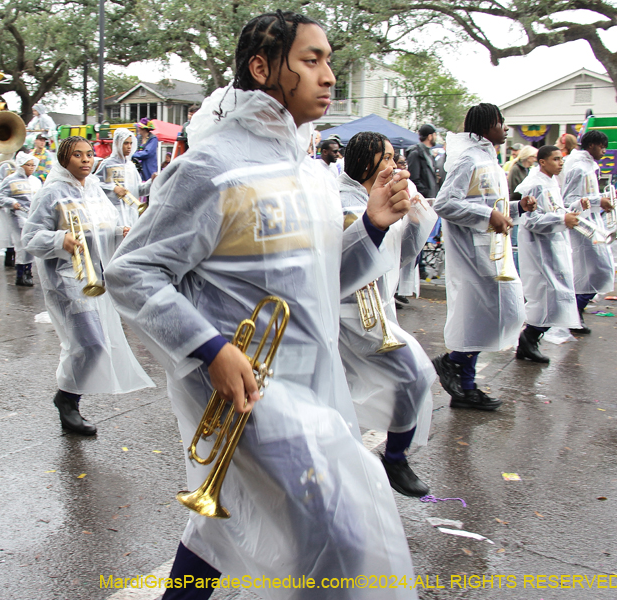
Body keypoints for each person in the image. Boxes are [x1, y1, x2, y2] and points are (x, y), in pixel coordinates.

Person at [106, 11, 417, 597]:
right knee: (340, 540)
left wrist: (373, 226)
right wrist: (212, 349)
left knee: (226, 522)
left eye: (328, 60)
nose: (328, 75)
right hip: (249, 392)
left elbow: (321, 285)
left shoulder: (311, 174)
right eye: (311, 60)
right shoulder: (210, 167)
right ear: (262, 68)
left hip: (315, 384)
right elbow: (132, 270)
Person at [21, 136, 154, 436]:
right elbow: (30, 238)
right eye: (77, 155)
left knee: (93, 343)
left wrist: (119, 231)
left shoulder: (94, 189)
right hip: (67, 280)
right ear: (63, 159)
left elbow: (103, 225)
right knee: (91, 343)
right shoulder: (51, 193)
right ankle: (66, 400)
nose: (85, 160)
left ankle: (68, 398)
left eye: (89, 154)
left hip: (96, 276)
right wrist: (59, 240)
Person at [336, 132, 439, 497]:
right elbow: (348, 266)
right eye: (389, 157)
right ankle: (394, 458)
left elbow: (401, 257)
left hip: (379, 309)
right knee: (413, 374)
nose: (397, 165)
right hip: (353, 316)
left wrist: (414, 220)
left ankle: (365, 462)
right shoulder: (346, 203)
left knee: (345, 395)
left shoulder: (384, 196)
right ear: (367, 162)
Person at [432, 104, 535, 411]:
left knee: (494, 318)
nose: (505, 127)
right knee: (483, 318)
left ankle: (463, 383)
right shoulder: (468, 160)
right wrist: (488, 215)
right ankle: (458, 373)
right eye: (500, 122)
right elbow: (445, 204)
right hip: (475, 258)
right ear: (485, 125)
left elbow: (493, 204)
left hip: (495, 255)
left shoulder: (490, 160)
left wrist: (518, 208)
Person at [513, 145, 582, 363]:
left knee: (558, 297)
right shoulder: (534, 184)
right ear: (542, 162)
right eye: (556, 159)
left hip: (554, 245)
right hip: (539, 249)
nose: (561, 163)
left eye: (561, 159)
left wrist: (574, 209)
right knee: (546, 296)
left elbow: (555, 210)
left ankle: (531, 339)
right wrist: (561, 221)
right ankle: (528, 339)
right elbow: (531, 219)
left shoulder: (551, 182)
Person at [562, 130, 617, 334]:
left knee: (598, 271)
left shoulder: (589, 166)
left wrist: (604, 198)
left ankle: (576, 312)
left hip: (593, 223)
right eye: (602, 146)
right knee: (595, 271)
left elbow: (589, 196)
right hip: (583, 228)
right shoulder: (579, 168)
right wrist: (597, 201)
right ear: (591, 146)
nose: (604, 151)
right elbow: (569, 200)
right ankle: (574, 313)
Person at [93, 127, 154, 227]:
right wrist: (113, 188)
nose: (129, 146)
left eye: (131, 143)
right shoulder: (107, 164)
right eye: (126, 143)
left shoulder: (131, 166)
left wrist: (152, 182)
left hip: (131, 216)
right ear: (117, 144)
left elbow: (139, 190)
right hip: (113, 215)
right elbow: (94, 185)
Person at [0, 152, 40, 286]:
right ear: (21, 165)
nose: (32, 167)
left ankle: (28, 271)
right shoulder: (10, 180)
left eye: (33, 165)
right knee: (21, 244)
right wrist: (12, 203)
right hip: (17, 216)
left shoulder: (36, 181)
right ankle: (21, 274)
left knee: (30, 244)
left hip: (32, 217)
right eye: (28, 165)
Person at [406, 124, 439, 199]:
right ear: (430, 136)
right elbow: (413, 178)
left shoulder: (429, 154)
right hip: (424, 199)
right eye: (435, 135)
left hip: (431, 198)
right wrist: (425, 192)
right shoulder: (416, 153)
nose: (436, 137)